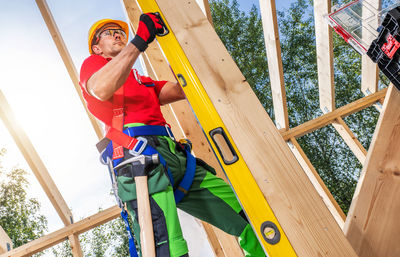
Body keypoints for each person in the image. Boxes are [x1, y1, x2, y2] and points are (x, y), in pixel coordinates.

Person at [79, 13, 265, 257]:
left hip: (175, 155)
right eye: (108, 33)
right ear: (96, 47)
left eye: (120, 32)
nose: (117, 34)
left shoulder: (141, 80)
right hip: (139, 157)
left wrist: (181, 49)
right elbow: (101, 89)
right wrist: (139, 40)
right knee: (167, 248)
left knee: (252, 217)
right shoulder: (93, 66)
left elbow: (181, 89)